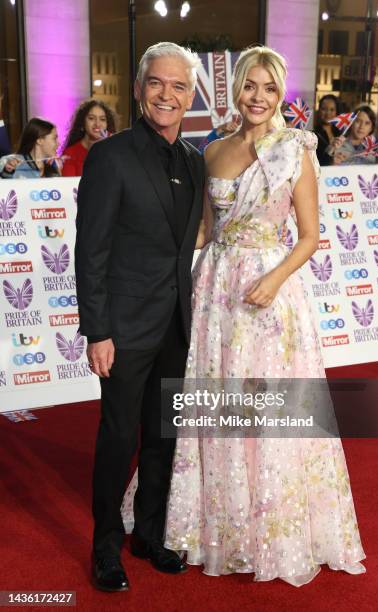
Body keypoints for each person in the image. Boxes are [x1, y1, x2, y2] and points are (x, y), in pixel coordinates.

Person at [160, 45, 366, 586]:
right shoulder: (213, 150)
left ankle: (272, 527)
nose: (257, 97)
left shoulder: (295, 149)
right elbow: (206, 229)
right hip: (217, 289)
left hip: (271, 292)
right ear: (237, 92)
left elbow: (311, 235)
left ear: (281, 93)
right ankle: (217, 523)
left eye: (268, 89)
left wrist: (273, 280)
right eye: (249, 87)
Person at [74, 42, 204, 592]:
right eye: (157, 82)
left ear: (191, 94)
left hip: (176, 323)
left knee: (162, 436)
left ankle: (148, 533)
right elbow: (91, 250)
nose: (166, 94)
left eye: (178, 85)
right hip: (124, 329)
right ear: (138, 88)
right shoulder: (110, 156)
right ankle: (105, 548)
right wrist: (97, 330)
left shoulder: (196, 161)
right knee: (119, 435)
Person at [61, 99, 116, 176]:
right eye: (91, 118)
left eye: (102, 119)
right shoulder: (71, 153)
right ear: (82, 122)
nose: (97, 124)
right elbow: (68, 184)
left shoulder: (113, 151)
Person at [313, 94, 340, 165]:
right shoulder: (313, 135)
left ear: (336, 112)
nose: (328, 113)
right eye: (324, 109)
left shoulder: (340, 134)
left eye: (332, 110)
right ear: (319, 110)